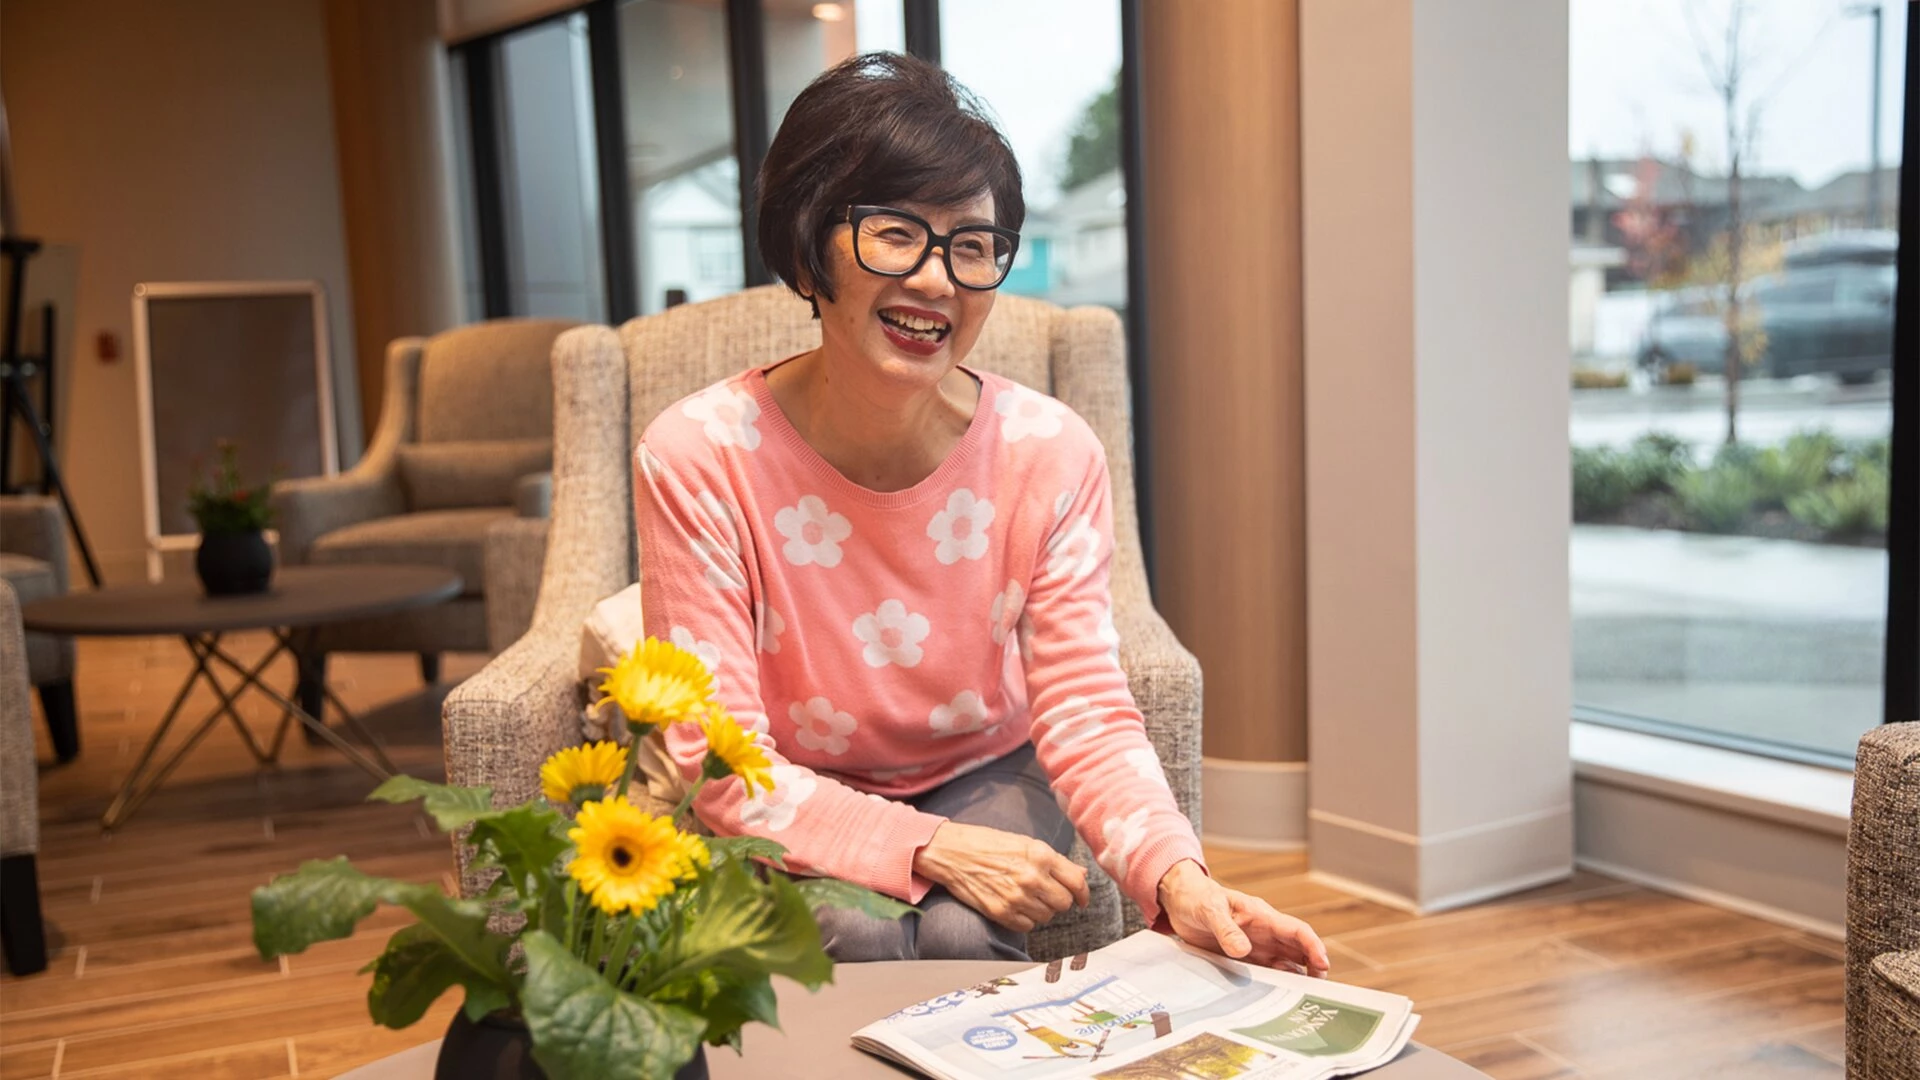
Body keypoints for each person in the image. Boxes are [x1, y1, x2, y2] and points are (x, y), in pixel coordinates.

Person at [635, 51, 1328, 974]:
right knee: (858, 926)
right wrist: (925, 846)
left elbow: (1085, 708)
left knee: (964, 936)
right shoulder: (699, 453)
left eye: (971, 245)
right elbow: (717, 761)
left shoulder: (1050, 451)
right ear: (807, 244)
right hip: (795, 778)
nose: (936, 281)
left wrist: (1181, 881)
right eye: (893, 233)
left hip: (990, 767)